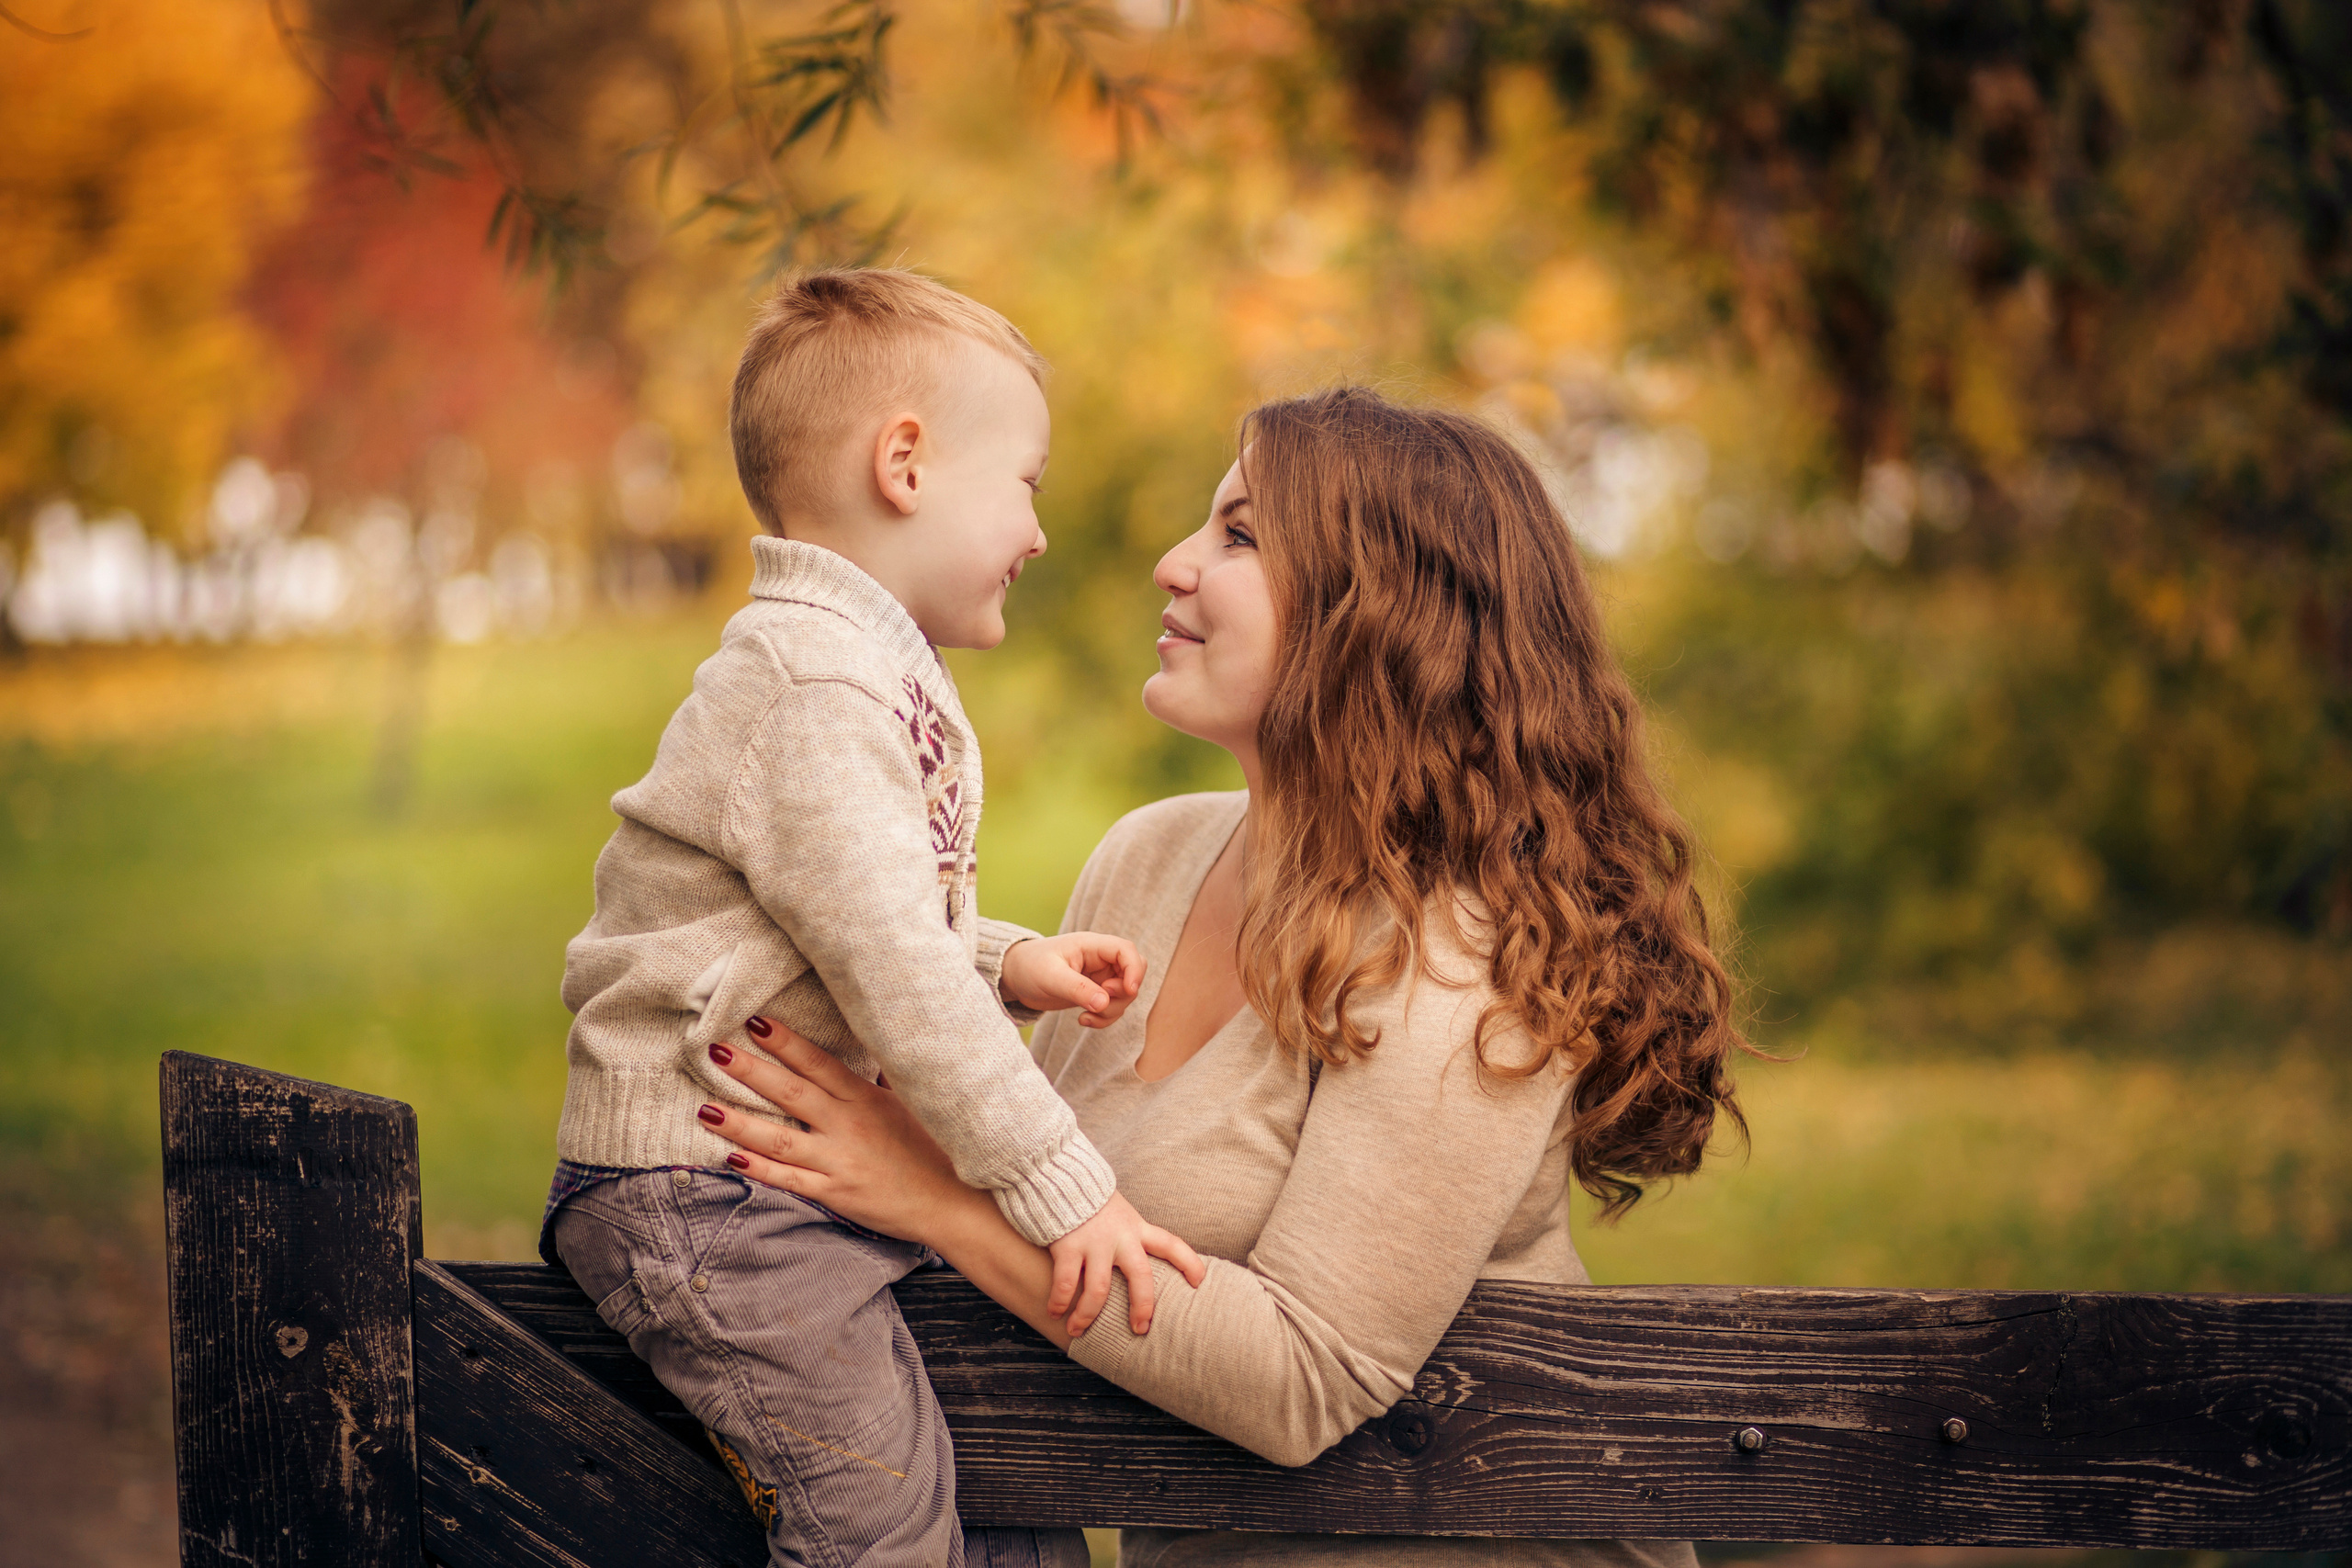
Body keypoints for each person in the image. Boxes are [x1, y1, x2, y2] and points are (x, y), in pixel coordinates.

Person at [698, 385, 1754, 1568]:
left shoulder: (1471, 954)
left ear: (1383, 613)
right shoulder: (1146, 858)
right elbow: (1032, 1199)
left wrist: (934, 1196)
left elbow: (1307, 1376)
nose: (1173, 564)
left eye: (1240, 536)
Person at [548, 267, 1203, 1568]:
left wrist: (1010, 960)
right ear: (904, 462)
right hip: (710, 1196)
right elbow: (892, 968)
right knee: (879, 1534)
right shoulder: (812, 682)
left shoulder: (858, 670)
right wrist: (1069, 1196)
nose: (1040, 530)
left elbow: (856, 917)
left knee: (1018, 1511)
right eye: (1026, 483)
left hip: (769, 1188)